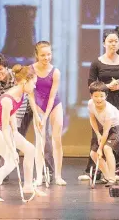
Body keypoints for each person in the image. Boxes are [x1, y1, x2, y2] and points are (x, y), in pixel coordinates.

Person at [0, 53, 55, 182]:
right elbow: (0, 102)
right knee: (13, 140)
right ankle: (3, 172)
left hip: (30, 106)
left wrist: (22, 121)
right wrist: (6, 123)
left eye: (0, 69)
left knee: (43, 137)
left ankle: (49, 172)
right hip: (13, 109)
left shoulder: (16, 76)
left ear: (6, 68)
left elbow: (25, 98)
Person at [0, 65, 44, 202]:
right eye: (34, 83)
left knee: (30, 149)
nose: (35, 87)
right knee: (11, 161)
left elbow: (12, 125)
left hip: (5, 127)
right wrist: (11, 148)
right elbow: (4, 127)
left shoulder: (21, 94)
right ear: (25, 82)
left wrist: (16, 133)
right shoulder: (8, 99)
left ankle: (28, 187)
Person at [81, 31, 119, 181]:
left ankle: (115, 170)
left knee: (117, 134)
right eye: (110, 41)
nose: (113, 44)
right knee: (97, 132)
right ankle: (93, 170)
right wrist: (106, 86)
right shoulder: (97, 62)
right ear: (104, 43)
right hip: (103, 98)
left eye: (116, 41)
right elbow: (91, 84)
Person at [28, 41, 66, 186]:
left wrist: (46, 115)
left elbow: (51, 96)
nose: (46, 57)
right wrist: (37, 115)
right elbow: (30, 94)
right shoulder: (30, 70)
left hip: (54, 105)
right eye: (43, 55)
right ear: (37, 55)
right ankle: (39, 176)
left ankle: (58, 176)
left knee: (57, 139)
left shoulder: (55, 72)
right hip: (37, 105)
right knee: (40, 141)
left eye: (49, 54)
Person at [87, 81, 119, 186]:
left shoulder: (108, 110)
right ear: (91, 96)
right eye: (96, 96)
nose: (98, 99)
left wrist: (100, 148)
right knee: (93, 153)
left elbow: (106, 131)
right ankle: (107, 177)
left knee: (106, 148)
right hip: (107, 128)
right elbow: (92, 119)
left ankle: (112, 178)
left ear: (106, 96)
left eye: (101, 96)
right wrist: (97, 134)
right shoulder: (90, 104)